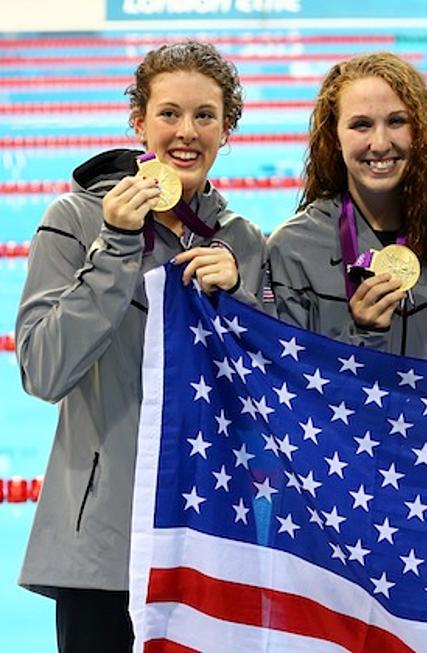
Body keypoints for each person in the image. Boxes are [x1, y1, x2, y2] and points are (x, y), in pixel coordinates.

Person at [15, 41, 266, 651]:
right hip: (104, 547)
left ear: (226, 129)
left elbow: (267, 396)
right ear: (140, 124)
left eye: (205, 115)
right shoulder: (75, 220)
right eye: (169, 114)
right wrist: (118, 244)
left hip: (208, 540)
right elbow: (43, 370)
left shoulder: (242, 242)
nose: (187, 132)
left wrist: (245, 303)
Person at [266, 52, 427, 363]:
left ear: (421, 132)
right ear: (335, 138)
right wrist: (362, 334)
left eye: (397, 121)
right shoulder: (294, 249)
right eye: (361, 125)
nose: (380, 143)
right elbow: (289, 380)